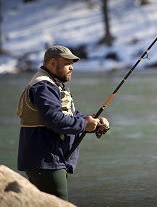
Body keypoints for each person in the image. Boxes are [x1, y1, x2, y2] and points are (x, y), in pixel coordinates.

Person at [16, 45, 109, 201]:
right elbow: (54, 119)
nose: (71, 68)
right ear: (52, 63)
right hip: (46, 161)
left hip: (47, 160)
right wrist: (85, 124)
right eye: (67, 63)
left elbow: (70, 115)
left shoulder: (52, 84)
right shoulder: (43, 86)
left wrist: (93, 121)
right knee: (59, 204)